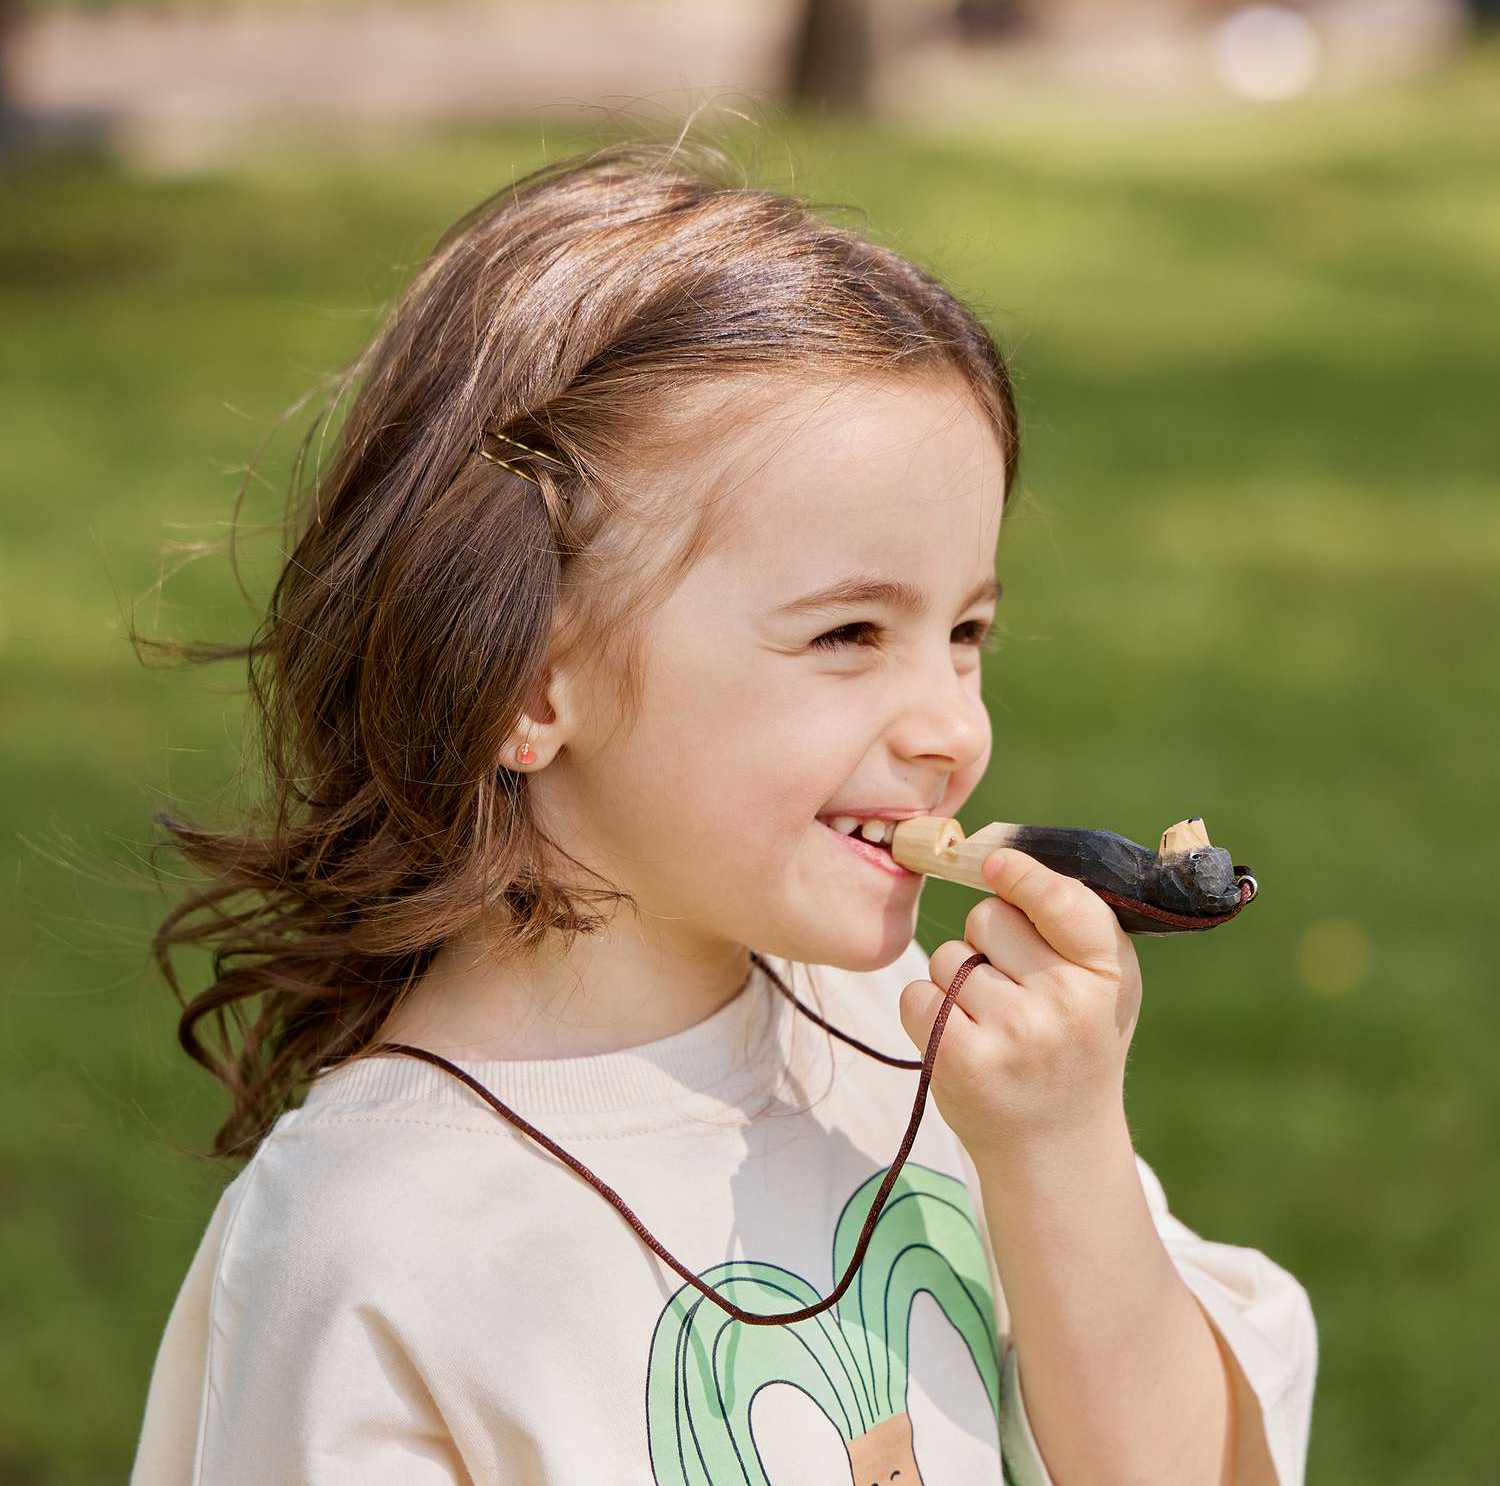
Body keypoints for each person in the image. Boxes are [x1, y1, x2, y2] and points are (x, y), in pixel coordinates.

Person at [129, 138, 1317, 1486]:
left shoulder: (920, 1059)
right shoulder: (376, 1245)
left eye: (967, 630)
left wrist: (1061, 1157)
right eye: (849, 633)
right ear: (527, 681)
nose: (951, 727)